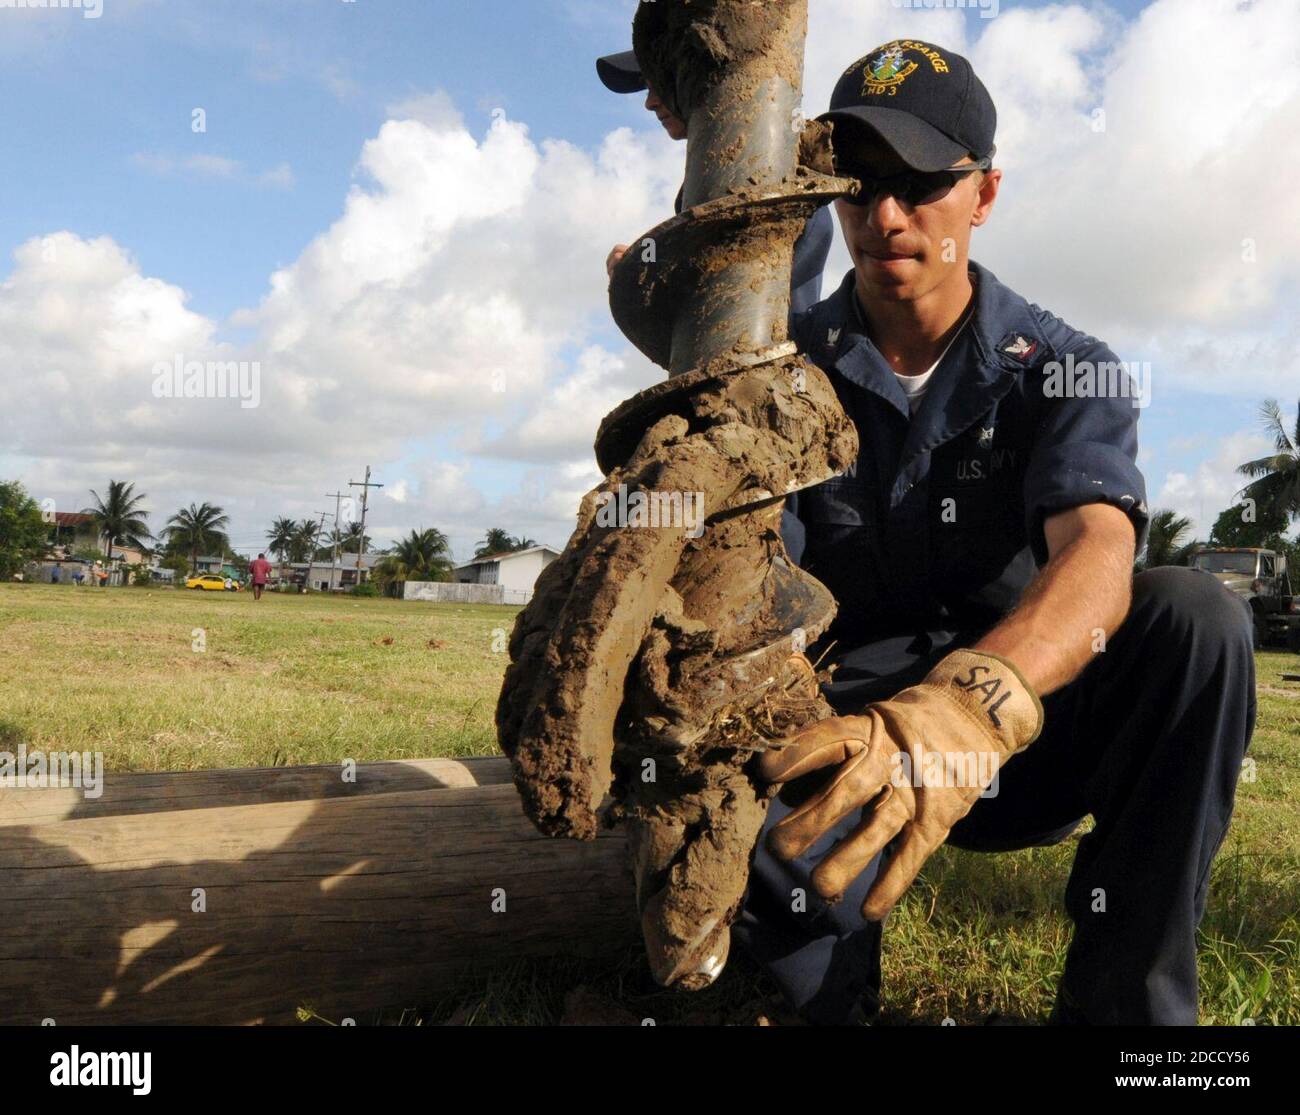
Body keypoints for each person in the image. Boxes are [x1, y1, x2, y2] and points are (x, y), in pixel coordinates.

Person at [728, 39, 1256, 1026]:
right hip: (837, 746)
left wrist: (974, 701)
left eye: (922, 180)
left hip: (1015, 739)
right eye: (861, 185)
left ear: (985, 191)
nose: (886, 216)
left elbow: (1098, 547)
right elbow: (747, 583)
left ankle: (1132, 1019)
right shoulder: (780, 367)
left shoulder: (1064, 364)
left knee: (1196, 617)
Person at [597, 48, 833, 316]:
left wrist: (645, 264)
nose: (649, 103)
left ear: (709, 78)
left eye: (661, 84)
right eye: (647, 88)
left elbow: (721, 295)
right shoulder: (710, 181)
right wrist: (641, 260)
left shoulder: (768, 181)